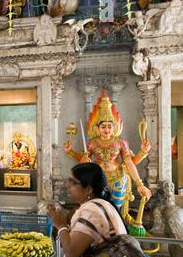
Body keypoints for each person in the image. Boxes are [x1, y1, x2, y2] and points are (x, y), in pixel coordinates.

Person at [47, 162, 138, 257]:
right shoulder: (102, 205)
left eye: (73, 182)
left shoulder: (91, 211)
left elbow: (71, 253)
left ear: (89, 189)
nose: (67, 185)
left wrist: (61, 225)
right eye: (68, 180)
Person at [64, 90, 152, 225]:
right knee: (98, 208)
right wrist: (71, 152)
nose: (107, 129)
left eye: (110, 126)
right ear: (97, 128)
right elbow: (83, 159)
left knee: (115, 210)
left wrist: (139, 183)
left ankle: (116, 233)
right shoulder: (92, 142)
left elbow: (129, 163)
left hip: (117, 178)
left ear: (114, 127)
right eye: (103, 126)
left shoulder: (120, 142)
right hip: (98, 179)